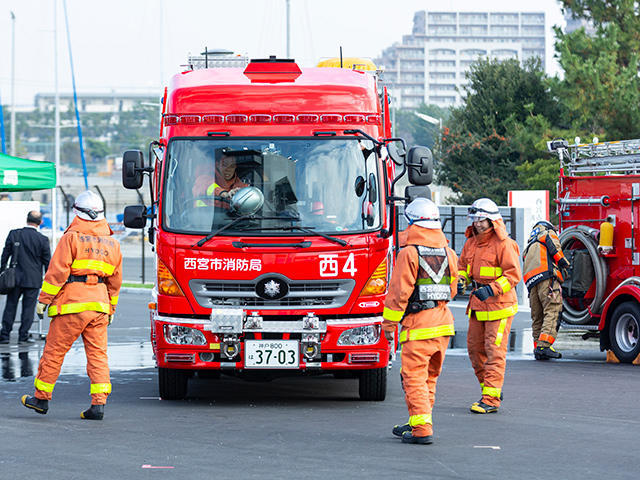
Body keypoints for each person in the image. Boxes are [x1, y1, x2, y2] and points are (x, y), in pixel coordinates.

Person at [21, 191, 122, 420]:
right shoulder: (113, 244)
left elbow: (57, 272)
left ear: (77, 212)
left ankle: (41, 399)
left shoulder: (72, 238)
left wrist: (43, 301)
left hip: (72, 304)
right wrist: (111, 308)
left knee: (54, 352)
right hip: (100, 306)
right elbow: (115, 281)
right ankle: (98, 405)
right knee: (98, 356)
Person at [383, 198, 458, 445]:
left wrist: (389, 326)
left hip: (419, 326)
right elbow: (453, 289)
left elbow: (398, 294)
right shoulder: (449, 252)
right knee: (429, 379)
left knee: (413, 377)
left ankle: (422, 428)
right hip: (444, 323)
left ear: (411, 222)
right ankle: (418, 419)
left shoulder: (408, 253)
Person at [458, 198, 521, 414]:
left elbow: (513, 275)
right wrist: (460, 280)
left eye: (482, 220)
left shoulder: (504, 244)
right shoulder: (471, 242)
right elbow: (462, 267)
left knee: (494, 352)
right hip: (478, 304)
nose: (478, 224)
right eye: (475, 220)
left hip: (499, 305)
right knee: (475, 351)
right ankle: (491, 389)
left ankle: (491, 400)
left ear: (492, 220)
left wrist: (492, 289)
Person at [0, 211, 51, 344]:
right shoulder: (42, 239)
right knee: (28, 308)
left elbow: (5, 255)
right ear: (40, 223)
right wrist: (49, 280)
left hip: (14, 278)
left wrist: (2, 271)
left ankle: (5, 335)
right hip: (33, 280)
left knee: (10, 306)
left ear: (26, 219)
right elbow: (48, 262)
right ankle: (23, 336)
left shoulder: (14, 234)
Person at [522, 220, 569, 360]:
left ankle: (538, 348)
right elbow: (556, 251)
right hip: (547, 279)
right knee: (553, 310)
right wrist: (566, 265)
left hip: (531, 284)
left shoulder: (529, 247)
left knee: (538, 317)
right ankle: (545, 346)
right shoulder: (547, 233)